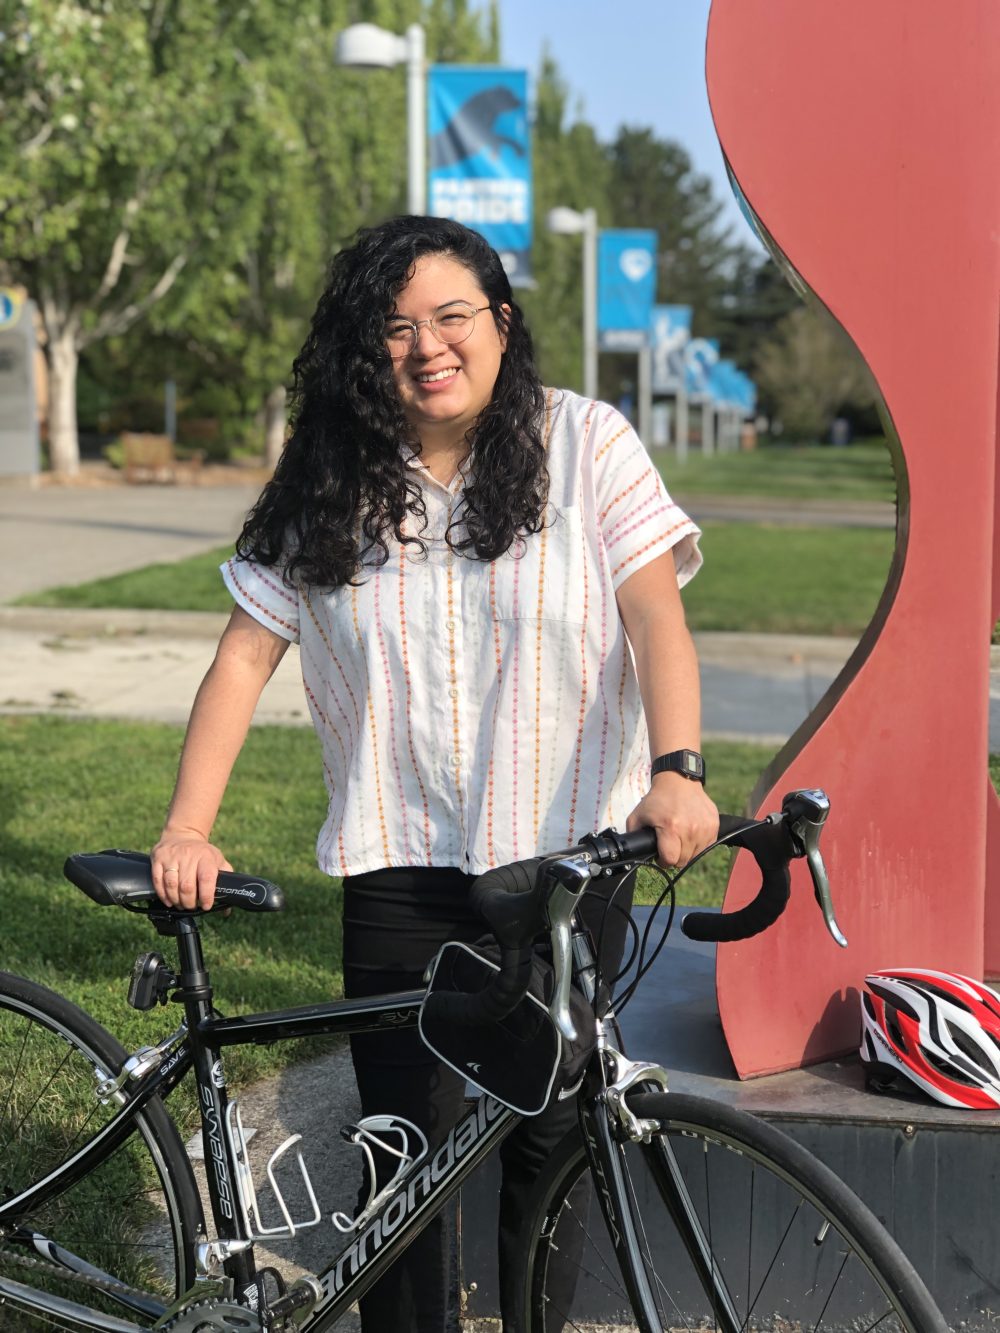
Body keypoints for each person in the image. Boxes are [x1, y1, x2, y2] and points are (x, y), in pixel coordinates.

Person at [151, 215, 718, 1332]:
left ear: (500, 322)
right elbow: (242, 654)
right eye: (397, 327)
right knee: (402, 1161)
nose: (428, 346)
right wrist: (187, 826)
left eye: (452, 316)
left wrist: (679, 767)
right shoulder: (332, 476)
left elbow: (655, 614)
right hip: (398, 865)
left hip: (562, 861)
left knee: (553, 1143)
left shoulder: (588, 444)